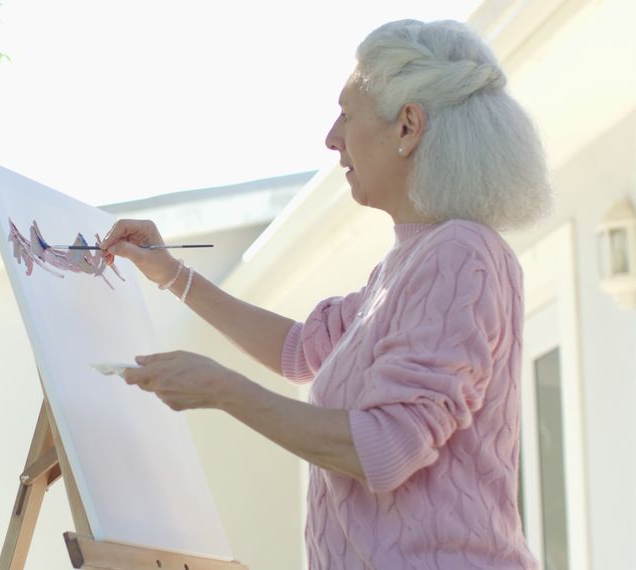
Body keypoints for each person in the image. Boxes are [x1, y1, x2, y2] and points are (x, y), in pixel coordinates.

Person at [99, 19, 551, 569]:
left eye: (346, 113)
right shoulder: (409, 265)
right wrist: (171, 274)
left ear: (408, 126)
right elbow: (299, 350)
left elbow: (384, 447)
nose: (332, 137)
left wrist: (220, 390)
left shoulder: (461, 254)